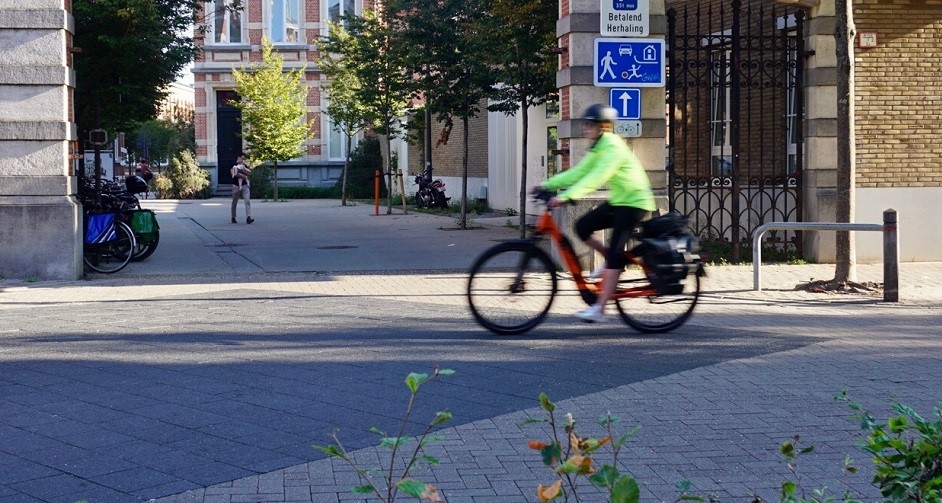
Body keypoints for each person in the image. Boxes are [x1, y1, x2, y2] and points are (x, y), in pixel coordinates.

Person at [536, 104, 656, 323]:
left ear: (603, 127)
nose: (586, 129)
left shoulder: (613, 148)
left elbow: (597, 177)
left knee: (615, 254)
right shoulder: (599, 146)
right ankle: (612, 258)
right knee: (582, 227)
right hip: (620, 200)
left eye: (590, 125)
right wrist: (547, 184)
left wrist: (566, 196)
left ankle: (599, 308)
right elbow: (580, 172)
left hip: (634, 203)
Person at [231, 153, 254, 224]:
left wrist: (242, 171)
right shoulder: (233, 165)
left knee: (247, 201)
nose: (244, 160)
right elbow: (233, 174)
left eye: (244, 159)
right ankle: (233, 217)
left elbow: (249, 173)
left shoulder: (245, 165)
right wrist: (243, 174)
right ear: (239, 158)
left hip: (245, 185)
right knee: (234, 202)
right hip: (236, 185)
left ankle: (248, 217)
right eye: (243, 158)